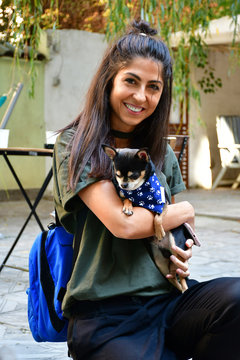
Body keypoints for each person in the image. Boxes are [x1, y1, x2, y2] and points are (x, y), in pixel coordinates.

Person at [53, 20, 240, 360]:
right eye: (131, 81)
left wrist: (180, 253)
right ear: (109, 80)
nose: (141, 96)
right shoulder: (75, 144)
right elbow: (123, 224)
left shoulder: (160, 152)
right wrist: (185, 211)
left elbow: (172, 231)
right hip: (105, 314)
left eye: (153, 87)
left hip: (168, 302)